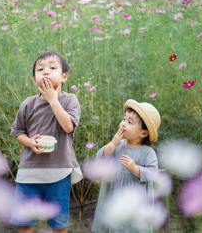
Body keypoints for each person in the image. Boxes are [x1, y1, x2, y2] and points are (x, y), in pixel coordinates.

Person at [10, 51, 82, 233]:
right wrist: (29, 142)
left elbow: (68, 127)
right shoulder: (28, 104)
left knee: (58, 225)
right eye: (40, 69)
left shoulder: (70, 100)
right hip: (29, 173)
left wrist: (53, 100)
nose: (46, 72)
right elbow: (17, 132)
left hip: (59, 172)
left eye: (52, 68)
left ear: (64, 76)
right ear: (34, 79)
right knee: (25, 224)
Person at [92, 99, 161, 233]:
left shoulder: (147, 153)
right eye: (124, 119)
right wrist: (112, 144)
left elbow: (153, 174)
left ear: (143, 133)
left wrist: (135, 169)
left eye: (129, 122)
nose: (123, 124)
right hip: (114, 196)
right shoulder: (118, 145)